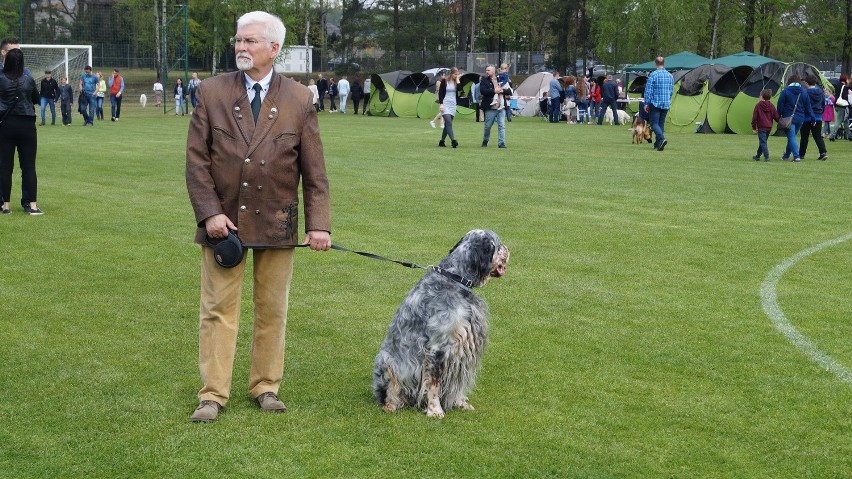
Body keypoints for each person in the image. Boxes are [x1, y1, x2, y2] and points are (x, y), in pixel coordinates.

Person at [185, 11, 331, 423]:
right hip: (223, 226)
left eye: (250, 41)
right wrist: (210, 214)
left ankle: (266, 387)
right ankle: (212, 395)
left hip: (277, 222)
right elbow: (197, 162)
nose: (241, 48)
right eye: (238, 40)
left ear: (274, 49)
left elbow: (314, 170)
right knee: (217, 309)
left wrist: (318, 223)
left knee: (273, 309)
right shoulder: (211, 92)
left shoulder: (300, 99)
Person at [0, 48, 44, 215]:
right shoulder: (28, 79)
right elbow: (36, 99)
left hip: (6, 125)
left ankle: (6, 206)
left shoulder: (1, 79)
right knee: (28, 167)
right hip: (26, 125)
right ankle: (32, 205)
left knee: (5, 167)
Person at [776, 74, 814, 162]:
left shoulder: (785, 91)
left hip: (788, 117)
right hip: (800, 118)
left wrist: (779, 116)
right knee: (791, 137)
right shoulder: (804, 92)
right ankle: (786, 156)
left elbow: (780, 105)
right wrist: (813, 118)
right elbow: (808, 107)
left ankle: (796, 156)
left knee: (791, 137)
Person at [643, 57, 674, 150]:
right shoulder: (670, 75)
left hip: (655, 102)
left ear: (655, 63)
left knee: (653, 123)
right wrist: (668, 99)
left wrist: (646, 103)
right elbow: (671, 90)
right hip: (666, 102)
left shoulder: (653, 74)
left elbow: (648, 90)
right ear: (664, 63)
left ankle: (661, 138)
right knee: (661, 124)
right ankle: (658, 144)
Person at [798, 76, 828, 161]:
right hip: (818, 116)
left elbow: (803, 104)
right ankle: (823, 152)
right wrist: (820, 112)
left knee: (804, 136)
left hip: (807, 117)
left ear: (806, 83)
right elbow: (823, 104)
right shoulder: (821, 92)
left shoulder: (805, 92)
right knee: (817, 136)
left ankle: (801, 154)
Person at [479, 64, 507, 148]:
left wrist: (502, 91)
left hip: (501, 107)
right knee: (488, 126)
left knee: (501, 125)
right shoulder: (484, 80)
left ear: (494, 71)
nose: (486, 72)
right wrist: (494, 91)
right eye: (486, 70)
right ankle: (485, 140)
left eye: (488, 70)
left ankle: (501, 143)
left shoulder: (501, 79)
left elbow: (509, 90)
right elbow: (483, 91)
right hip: (490, 107)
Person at [751, 88, 779, 162]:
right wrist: (782, 122)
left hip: (761, 127)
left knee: (763, 142)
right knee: (763, 141)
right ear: (770, 96)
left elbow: (754, 118)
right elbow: (776, 117)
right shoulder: (772, 106)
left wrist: (754, 127)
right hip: (769, 127)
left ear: (762, 96)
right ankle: (757, 156)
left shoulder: (758, 105)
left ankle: (767, 157)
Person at [437, 67, 461, 148]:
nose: (456, 76)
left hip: (453, 105)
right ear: (451, 74)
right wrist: (441, 104)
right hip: (445, 103)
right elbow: (440, 93)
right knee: (449, 123)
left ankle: (442, 141)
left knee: (447, 124)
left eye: (457, 74)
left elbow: (460, 89)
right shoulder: (445, 81)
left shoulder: (456, 82)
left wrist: (458, 80)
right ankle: (453, 141)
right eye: (455, 74)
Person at [828, 73, 849, 141]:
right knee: (839, 121)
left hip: (836, 105)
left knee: (846, 121)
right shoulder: (845, 87)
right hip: (842, 105)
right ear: (845, 79)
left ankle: (849, 135)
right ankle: (832, 135)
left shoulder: (837, 86)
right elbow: (845, 97)